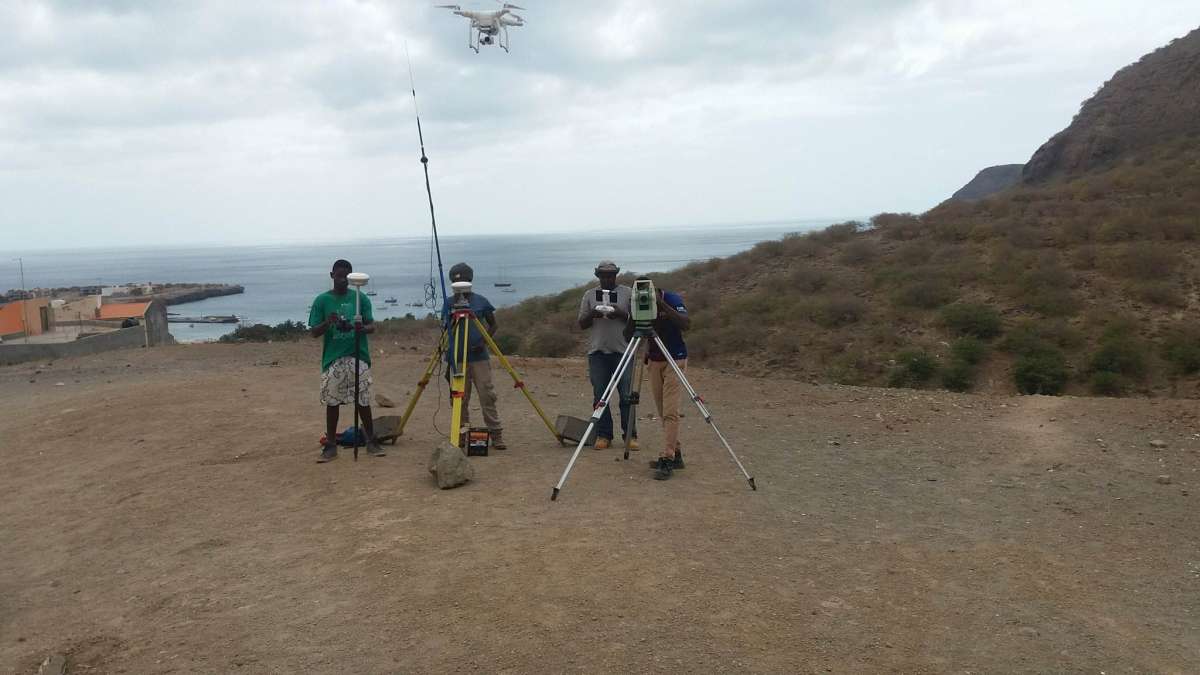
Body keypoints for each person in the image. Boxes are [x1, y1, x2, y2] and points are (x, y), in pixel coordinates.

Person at [309, 259, 385, 463]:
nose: (342, 280)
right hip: (333, 358)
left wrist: (359, 328)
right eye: (339, 275)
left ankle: (371, 441)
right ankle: (331, 445)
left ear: (351, 278)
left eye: (346, 276)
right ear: (332, 275)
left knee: (363, 400)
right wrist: (329, 322)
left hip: (357, 355)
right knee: (332, 401)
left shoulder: (360, 299)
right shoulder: (322, 301)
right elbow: (314, 331)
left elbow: (371, 326)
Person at [444, 262, 506, 450]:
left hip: (479, 358)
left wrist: (483, 342)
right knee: (460, 398)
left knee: (487, 395)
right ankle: (461, 433)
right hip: (458, 357)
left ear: (470, 280)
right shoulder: (449, 303)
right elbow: (446, 328)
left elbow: (493, 324)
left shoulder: (481, 301)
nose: (460, 284)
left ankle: (496, 434)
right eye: (456, 281)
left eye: (463, 280)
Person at [577, 261, 638, 451]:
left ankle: (630, 435)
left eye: (610, 275)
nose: (607, 279)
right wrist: (594, 314)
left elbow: (637, 321)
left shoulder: (627, 293)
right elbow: (581, 324)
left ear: (616, 275)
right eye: (603, 275)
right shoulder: (589, 295)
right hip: (598, 353)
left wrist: (620, 314)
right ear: (597, 276)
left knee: (626, 396)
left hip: (623, 352)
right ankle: (604, 435)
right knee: (600, 396)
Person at [644, 279, 690, 480]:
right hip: (654, 360)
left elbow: (686, 323)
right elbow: (630, 333)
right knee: (663, 410)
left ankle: (668, 457)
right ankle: (677, 452)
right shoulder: (638, 303)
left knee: (671, 411)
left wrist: (662, 305)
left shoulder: (671, 299)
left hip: (675, 358)